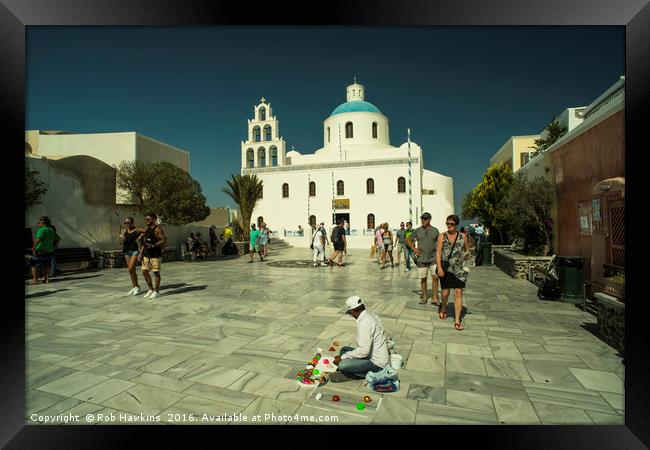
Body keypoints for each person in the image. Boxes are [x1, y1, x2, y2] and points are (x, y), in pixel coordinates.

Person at [330, 295, 390, 382]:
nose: (351, 315)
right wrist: (344, 355)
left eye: (349, 313)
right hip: (372, 355)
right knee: (344, 349)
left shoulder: (364, 323)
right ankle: (355, 369)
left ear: (353, 311)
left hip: (377, 364)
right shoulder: (371, 315)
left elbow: (364, 351)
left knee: (343, 365)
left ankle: (355, 375)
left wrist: (342, 358)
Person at [436, 214, 472, 331]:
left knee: (458, 293)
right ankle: (443, 308)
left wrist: (466, 261)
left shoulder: (463, 236)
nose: (449, 225)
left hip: (459, 270)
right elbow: (438, 252)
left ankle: (457, 320)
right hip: (446, 268)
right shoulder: (442, 236)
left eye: (451, 223)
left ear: (456, 224)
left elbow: (467, 251)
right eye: (448, 223)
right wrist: (439, 268)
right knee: (445, 293)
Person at [406, 212, 440, 305]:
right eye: (422, 219)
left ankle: (435, 298)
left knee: (435, 277)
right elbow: (408, 239)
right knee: (423, 279)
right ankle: (424, 297)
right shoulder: (417, 230)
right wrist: (414, 250)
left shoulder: (435, 230)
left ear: (429, 220)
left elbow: (440, 243)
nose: (423, 220)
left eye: (425, 219)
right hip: (421, 259)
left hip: (433, 258)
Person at [137, 212, 167, 299]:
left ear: (154, 219)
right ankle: (150, 289)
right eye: (145, 219)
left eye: (148, 219)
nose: (146, 221)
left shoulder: (158, 229)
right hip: (146, 253)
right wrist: (141, 252)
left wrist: (154, 245)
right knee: (144, 271)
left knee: (156, 272)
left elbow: (163, 239)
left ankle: (156, 291)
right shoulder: (147, 229)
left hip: (155, 254)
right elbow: (144, 242)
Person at [29, 216, 61, 285]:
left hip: (40, 251)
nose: (38, 224)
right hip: (49, 251)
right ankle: (46, 279)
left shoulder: (41, 229)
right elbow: (58, 239)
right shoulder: (51, 230)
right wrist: (53, 246)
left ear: (42, 223)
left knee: (33, 264)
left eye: (39, 222)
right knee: (46, 265)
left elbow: (38, 239)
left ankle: (35, 280)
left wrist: (33, 247)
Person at [120, 216, 142, 296]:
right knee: (131, 270)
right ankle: (135, 287)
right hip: (127, 251)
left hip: (135, 251)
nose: (126, 224)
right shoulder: (124, 231)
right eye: (125, 222)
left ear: (132, 222)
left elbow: (146, 232)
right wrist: (122, 239)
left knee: (131, 268)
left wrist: (140, 237)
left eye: (128, 222)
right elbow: (122, 241)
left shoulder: (137, 230)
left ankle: (137, 286)